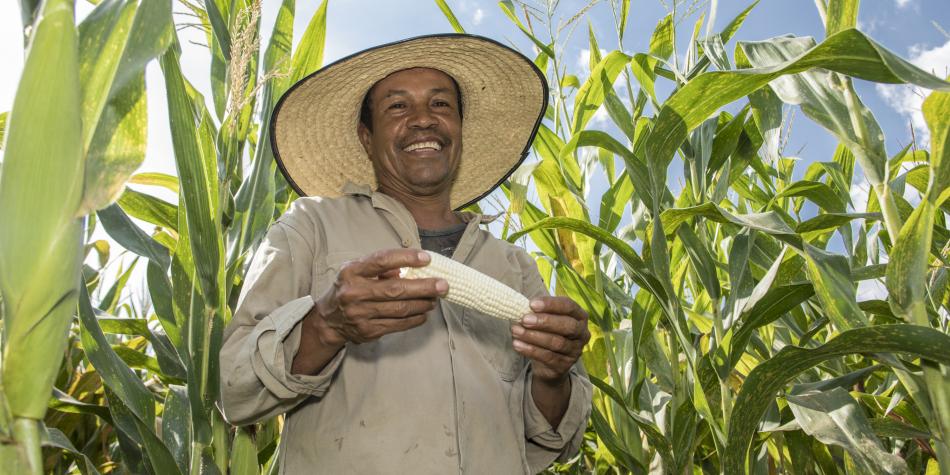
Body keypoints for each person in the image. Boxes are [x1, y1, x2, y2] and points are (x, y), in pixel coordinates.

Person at [219, 34, 592, 474]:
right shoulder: (311, 226)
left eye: (440, 105)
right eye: (397, 106)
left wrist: (553, 376)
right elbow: (233, 392)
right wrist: (326, 326)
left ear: (458, 128)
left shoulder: (515, 265)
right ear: (366, 136)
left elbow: (553, 440)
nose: (422, 121)